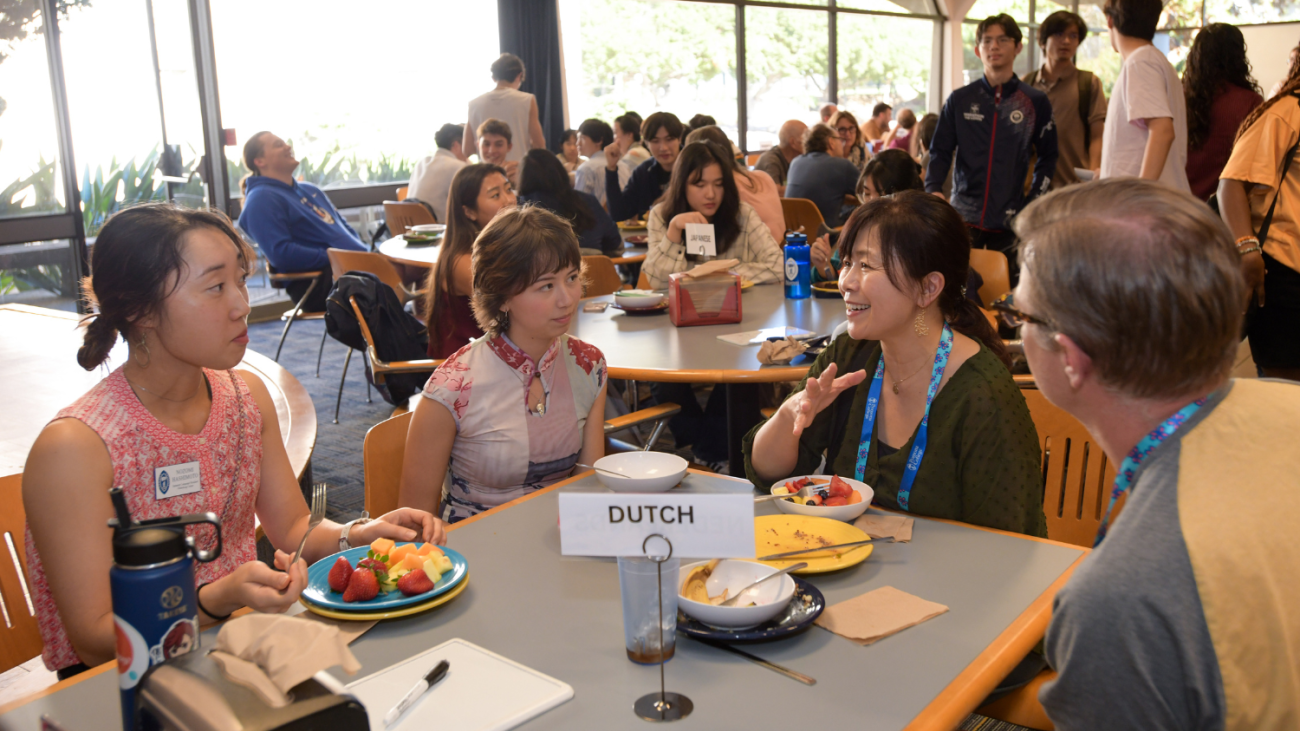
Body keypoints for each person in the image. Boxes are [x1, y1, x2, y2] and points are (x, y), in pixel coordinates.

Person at [22, 204, 443, 678]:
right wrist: (215, 599)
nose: (242, 305)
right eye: (215, 287)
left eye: (240, 281)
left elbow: (294, 527)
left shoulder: (246, 398)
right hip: (126, 684)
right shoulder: (76, 448)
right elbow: (94, 637)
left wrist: (358, 534)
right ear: (140, 309)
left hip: (232, 651)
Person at [1008, 178, 1300, 730]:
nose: (1016, 328)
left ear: (1071, 358)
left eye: (1020, 316)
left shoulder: (1119, 603)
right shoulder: (1290, 403)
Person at [744, 191, 1044, 536]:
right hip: (845, 559)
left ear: (928, 288)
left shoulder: (984, 396)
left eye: (866, 266)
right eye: (847, 263)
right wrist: (787, 416)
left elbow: (1008, 547)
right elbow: (769, 476)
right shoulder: (850, 354)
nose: (845, 282)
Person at [400, 206, 608, 523]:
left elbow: (588, 483)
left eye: (572, 278)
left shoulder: (588, 365)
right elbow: (413, 524)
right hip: (473, 542)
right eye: (546, 286)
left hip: (558, 537)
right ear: (503, 296)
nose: (567, 299)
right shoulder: (452, 386)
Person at [926, 14, 1058, 285]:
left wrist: (1033, 200)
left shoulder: (1034, 102)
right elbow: (939, 150)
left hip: (1011, 221)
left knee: (1008, 295)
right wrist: (934, 188)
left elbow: (1049, 156)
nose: (994, 47)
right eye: (987, 41)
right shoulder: (960, 100)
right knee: (957, 291)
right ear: (978, 50)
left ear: (1018, 47)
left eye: (1002, 40)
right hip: (962, 218)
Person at [1218, 62, 1300, 381]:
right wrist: (1247, 249)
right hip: (1285, 275)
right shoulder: (1288, 111)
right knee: (1285, 393)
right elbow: (1232, 183)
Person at [236, 132, 367, 312]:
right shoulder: (260, 199)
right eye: (278, 145)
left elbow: (343, 228)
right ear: (259, 161)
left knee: (405, 272)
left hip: (355, 269)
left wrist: (362, 256)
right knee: (393, 289)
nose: (288, 147)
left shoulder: (310, 190)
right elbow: (281, 254)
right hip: (321, 282)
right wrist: (336, 258)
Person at [644, 141, 782, 289]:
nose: (711, 194)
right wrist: (674, 232)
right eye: (700, 185)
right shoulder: (661, 215)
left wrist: (718, 275)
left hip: (739, 303)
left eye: (718, 184)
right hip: (685, 303)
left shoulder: (742, 213)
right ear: (681, 185)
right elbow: (658, 282)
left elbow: (780, 265)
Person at [423, 164, 516, 359]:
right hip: (462, 366)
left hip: (493, 354)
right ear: (469, 212)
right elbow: (513, 311)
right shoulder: (462, 262)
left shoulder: (498, 247)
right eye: (495, 195)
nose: (509, 200)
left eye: (509, 189)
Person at [1097, 0, 1190, 191]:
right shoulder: (1154, 61)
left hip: (1147, 204)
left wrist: (1140, 193)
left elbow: (1162, 131)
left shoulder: (1141, 62)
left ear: (1109, 21)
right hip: (1155, 200)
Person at [810, 148, 924, 283]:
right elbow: (838, 281)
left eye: (882, 195)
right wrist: (824, 266)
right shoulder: (859, 228)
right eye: (867, 193)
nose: (871, 202)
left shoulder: (917, 237)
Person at [1025, 11, 1107, 190]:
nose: (1066, 41)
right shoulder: (1027, 83)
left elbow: (1097, 136)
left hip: (1074, 186)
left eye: (1073, 36)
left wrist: (1092, 179)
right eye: (1059, 34)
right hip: (1032, 188)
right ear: (1043, 41)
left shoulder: (1088, 83)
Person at [1184, 23, 1263, 201]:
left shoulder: (1177, 97)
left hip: (1177, 202)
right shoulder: (1251, 103)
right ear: (1239, 57)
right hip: (1223, 207)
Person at [685, 126, 785, 243]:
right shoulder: (763, 176)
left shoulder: (728, 187)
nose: (711, 194)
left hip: (758, 249)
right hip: (784, 247)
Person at [517, 149, 621, 257]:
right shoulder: (588, 202)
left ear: (523, 179)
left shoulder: (520, 210)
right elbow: (616, 244)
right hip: (594, 267)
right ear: (560, 172)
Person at [464, 52, 545, 165]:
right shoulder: (527, 100)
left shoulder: (474, 104)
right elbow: (539, 145)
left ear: (493, 78)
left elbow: (467, 149)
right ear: (519, 76)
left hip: (487, 171)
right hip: (517, 170)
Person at [605, 112, 684, 222]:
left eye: (669, 139)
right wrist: (611, 168)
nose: (663, 148)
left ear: (679, 139)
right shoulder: (644, 172)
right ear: (646, 143)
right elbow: (619, 214)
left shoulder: (695, 166)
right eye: (655, 141)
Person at [786, 123, 861, 228]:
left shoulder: (795, 162)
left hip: (796, 234)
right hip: (828, 234)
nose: (842, 144)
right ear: (831, 142)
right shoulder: (842, 165)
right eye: (840, 140)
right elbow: (870, 191)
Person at [407, 123, 468, 223]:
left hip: (410, 227)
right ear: (456, 145)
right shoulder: (458, 166)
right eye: (465, 145)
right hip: (439, 228)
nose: (467, 152)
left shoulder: (422, 162)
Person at [574, 118, 629, 209]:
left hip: (598, 218)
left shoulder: (586, 168)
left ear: (599, 140)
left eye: (582, 138)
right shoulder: (624, 165)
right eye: (577, 138)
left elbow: (579, 206)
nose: (577, 143)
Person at [756, 120, 807, 194]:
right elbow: (775, 192)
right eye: (806, 139)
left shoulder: (797, 160)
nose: (809, 143)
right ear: (793, 142)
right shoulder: (771, 160)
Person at [475, 118, 518, 185]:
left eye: (499, 145)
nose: (492, 151)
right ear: (478, 145)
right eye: (486, 144)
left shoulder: (514, 173)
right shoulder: (471, 178)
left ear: (509, 147)